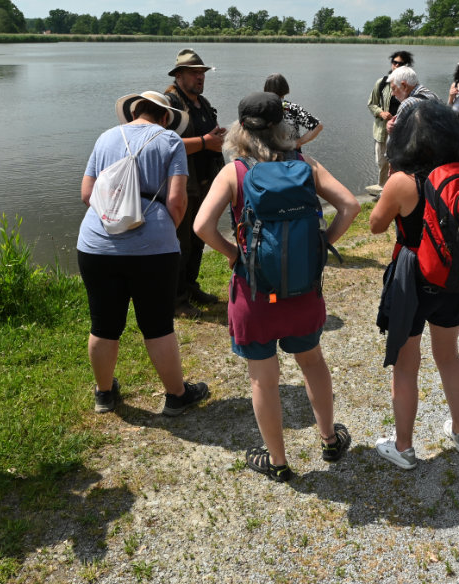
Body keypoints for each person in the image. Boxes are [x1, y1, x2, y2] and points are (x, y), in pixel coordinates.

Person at [195, 92, 360, 482]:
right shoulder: (305, 163)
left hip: (255, 294)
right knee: (313, 363)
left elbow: (201, 227)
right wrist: (323, 247)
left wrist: (235, 255)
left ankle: (279, 462)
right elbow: (350, 205)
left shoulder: (234, 172)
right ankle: (329, 440)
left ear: (239, 129)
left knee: (262, 378)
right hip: (303, 290)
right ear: (282, 127)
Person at [77, 91, 210, 417]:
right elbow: (178, 201)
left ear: (133, 113)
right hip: (153, 250)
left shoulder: (105, 137)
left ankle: (104, 395)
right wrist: (162, 229)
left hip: (96, 243)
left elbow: (86, 194)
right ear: (166, 117)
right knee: (157, 324)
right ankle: (176, 396)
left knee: (103, 325)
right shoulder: (170, 141)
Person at [369, 99, 459, 470]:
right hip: (455, 278)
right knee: (448, 355)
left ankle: (404, 447)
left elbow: (375, 225)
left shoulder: (402, 181)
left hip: (413, 276)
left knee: (405, 365)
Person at [164, 49, 227, 310]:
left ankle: (190, 286)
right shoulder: (170, 104)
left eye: (202, 73)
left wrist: (216, 139)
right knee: (181, 242)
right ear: (179, 75)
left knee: (199, 237)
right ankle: (176, 298)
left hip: (205, 182)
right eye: (194, 73)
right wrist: (205, 142)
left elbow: (208, 141)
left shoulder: (202, 103)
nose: (200, 77)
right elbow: (165, 143)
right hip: (182, 184)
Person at [366, 50, 414, 194]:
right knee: (382, 162)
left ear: (407, 66)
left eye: (400, 63)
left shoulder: (410, 85)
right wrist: (381, 112)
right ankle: (383, 188)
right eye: (394, 62)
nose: (396, 66)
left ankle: (398, 189)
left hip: (402, 130)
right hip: (382, 130)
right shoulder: (382, 83)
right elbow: (371, 104)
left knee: (400, 161)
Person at [263, 73, 323, 148]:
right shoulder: (292, 108)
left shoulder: (261, 108)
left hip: (267, 153)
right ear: (285, 87)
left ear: (266, 89)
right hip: (291, 152)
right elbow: (317, 126)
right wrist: (298, 142)